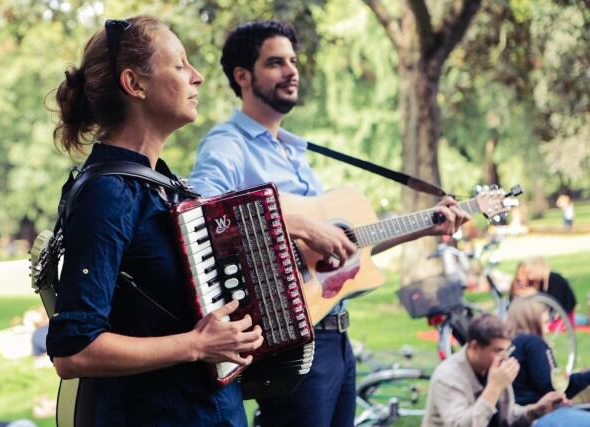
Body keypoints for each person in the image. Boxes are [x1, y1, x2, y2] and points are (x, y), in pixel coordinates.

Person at [189, 20, 470, 427]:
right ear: (242, 76)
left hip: (336, 336)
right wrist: (300, 223)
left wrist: (427, 225)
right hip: (291, 341)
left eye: (293, 61)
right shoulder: (227, 143)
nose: (291, 71)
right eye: (275, 63)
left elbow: (343, 249)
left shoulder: (293, 150)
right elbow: (201, 207)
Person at [45, 16, 263, 426]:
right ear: (135, 84)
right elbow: (74, 351)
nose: (196, 77)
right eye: (180, 65)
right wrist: (197, 345)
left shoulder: (161, 183)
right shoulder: (107, 194)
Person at [423, 313, 566, 427]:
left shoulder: (492, 367)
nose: (504, 356)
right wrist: (494, 387)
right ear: (474, 346)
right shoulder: (447, 376)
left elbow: (506, 419)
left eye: (507, 350)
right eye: (498, 350)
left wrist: (534, 411)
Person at [505, 297, 590, 425]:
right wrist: (586, 376)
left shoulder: (508, 344)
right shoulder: (533, 342)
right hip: (538, 416)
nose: (549, 329)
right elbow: (553, 388)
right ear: (533, 322)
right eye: (544, 322)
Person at [510, 258, 577, 326]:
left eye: (531, 272)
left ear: (539, 268)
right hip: (550, 315)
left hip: (562, 316)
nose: (530, 277)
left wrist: (535, 294)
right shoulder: (540, 282)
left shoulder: (555, 279)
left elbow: (554, 304)